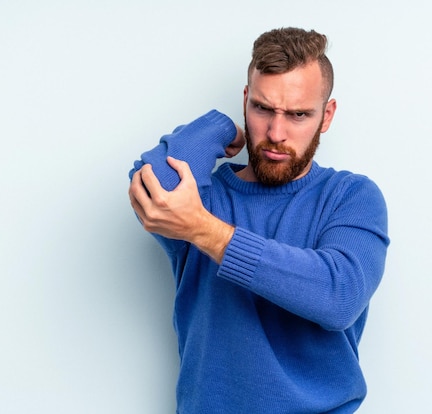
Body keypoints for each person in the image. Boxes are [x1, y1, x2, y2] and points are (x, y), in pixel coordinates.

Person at [128, 27, 389, 414]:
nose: (275, 133)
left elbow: (339, 296)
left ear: (327, 115)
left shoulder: (350, 197)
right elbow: (155, 187)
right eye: (263, 109)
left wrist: (202, 229)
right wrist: (219, 127)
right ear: (246, 101)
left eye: (299, 114)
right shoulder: (205, 197)